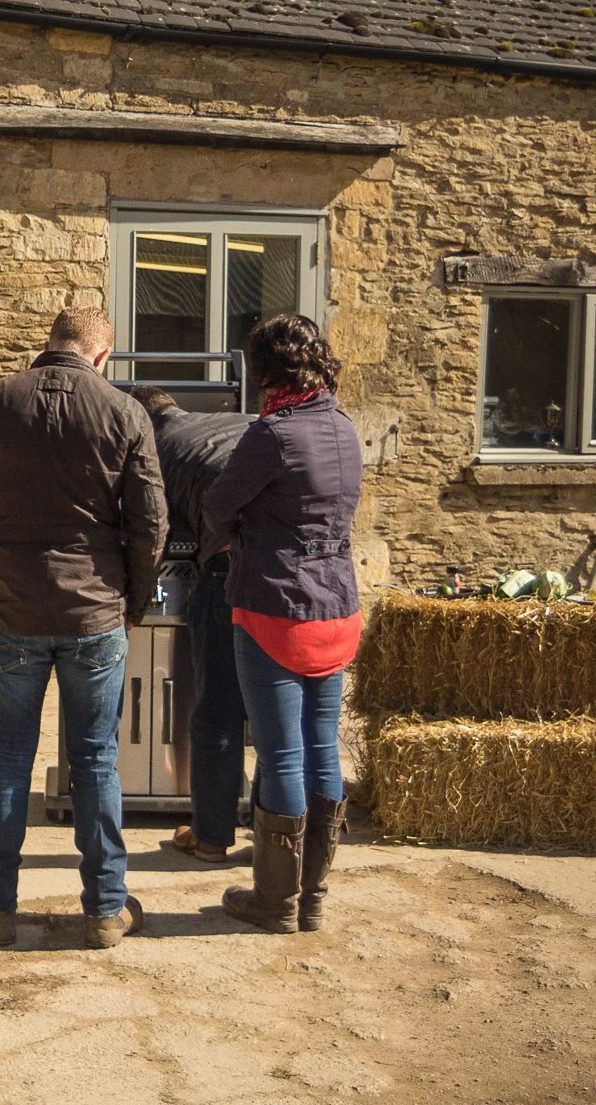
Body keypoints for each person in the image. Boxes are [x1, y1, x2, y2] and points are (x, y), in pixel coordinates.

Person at [0, 307, 166, 950]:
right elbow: (151, 522)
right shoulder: (124, 412)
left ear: (51, 343)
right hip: (94, 608)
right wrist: (134, 600)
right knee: (96, 760)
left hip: (12, 603)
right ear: (102, 355)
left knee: (8, 757)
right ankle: (105, 910)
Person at [201, 314, 363, 934]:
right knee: (322, 749)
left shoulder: (273, 434)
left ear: (265, 370)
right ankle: (311, 898)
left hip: (275, 609)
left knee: (282, 755)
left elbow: (217, 505)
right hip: (336, 606)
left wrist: (237, 533)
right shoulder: (344, 428)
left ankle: (275, 902)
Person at [125, 386, 253, 865]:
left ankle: (211, 837)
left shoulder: (154, 448)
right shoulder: (236, 424)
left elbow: (153, 529)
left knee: (218, 705)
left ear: (140, 421)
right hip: (291, 569)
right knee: (277, 713)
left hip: (227, 569)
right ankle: (277, 841)